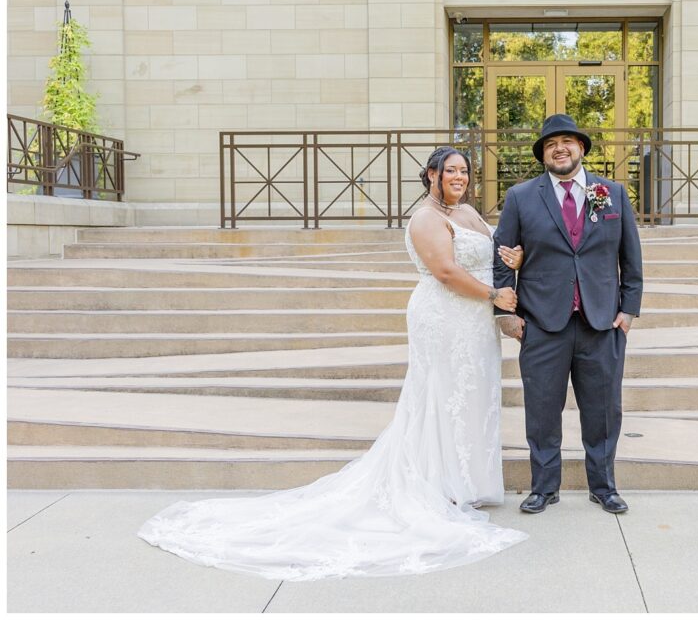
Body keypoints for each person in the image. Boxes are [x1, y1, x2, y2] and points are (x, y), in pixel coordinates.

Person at [138, 146, 528, 580]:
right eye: (450, 170)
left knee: (471, 396)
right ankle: (439, 485)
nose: (460, 176)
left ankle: (468, 484)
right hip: (443, 316)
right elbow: (445, 271)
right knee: (438, 397)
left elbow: (493, 256)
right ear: (431, 174)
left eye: (464, 171)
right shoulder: (425, 219)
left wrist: (513, 263)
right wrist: (494, 295)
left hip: (474, 323)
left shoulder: (471, 214)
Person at [493, 114, 643, 515]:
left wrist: (628, 310)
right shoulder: (522, 197)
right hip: (542, 323)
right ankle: (543, 487)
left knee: (604, 410)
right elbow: (502, 256)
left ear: (581, 148)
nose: (559, 148)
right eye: (550, 144)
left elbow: (631, 258)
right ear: (543, 155)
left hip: (601, 323)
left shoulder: (612, 193)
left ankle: (604, 486)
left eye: (567, 141)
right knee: (542, 410)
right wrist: (504, 313)